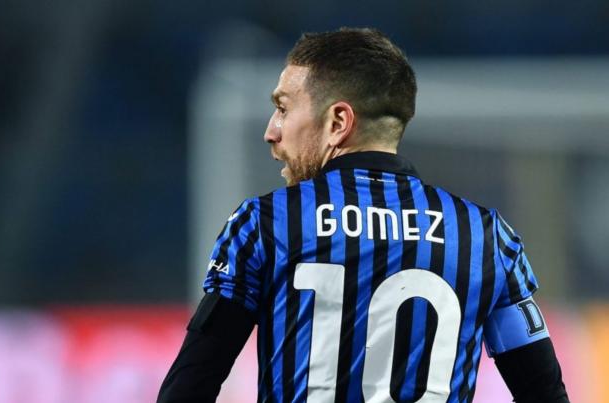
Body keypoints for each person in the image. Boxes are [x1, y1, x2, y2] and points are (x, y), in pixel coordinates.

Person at [158, 27, 569, 403]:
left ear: (338, 122)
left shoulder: (266, 224)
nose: (271, 131)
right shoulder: (485, 238)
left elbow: (190, 386)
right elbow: (545, 394)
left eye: (283, 108)